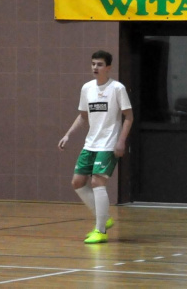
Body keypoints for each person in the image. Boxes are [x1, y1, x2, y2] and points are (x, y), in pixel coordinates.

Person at [58, 50, 133, 244]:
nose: (95, 68)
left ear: (108, 67)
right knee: (77, 182)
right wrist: (68, 134)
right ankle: (104, 218)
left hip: (108, 144)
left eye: (99, 64)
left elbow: (129, 117)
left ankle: (100, 231)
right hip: (90, 143)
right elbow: (83, 115)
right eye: (93, 64)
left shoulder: (117, 88)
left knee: (97, 183)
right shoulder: (87, 88)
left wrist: (121, 141)